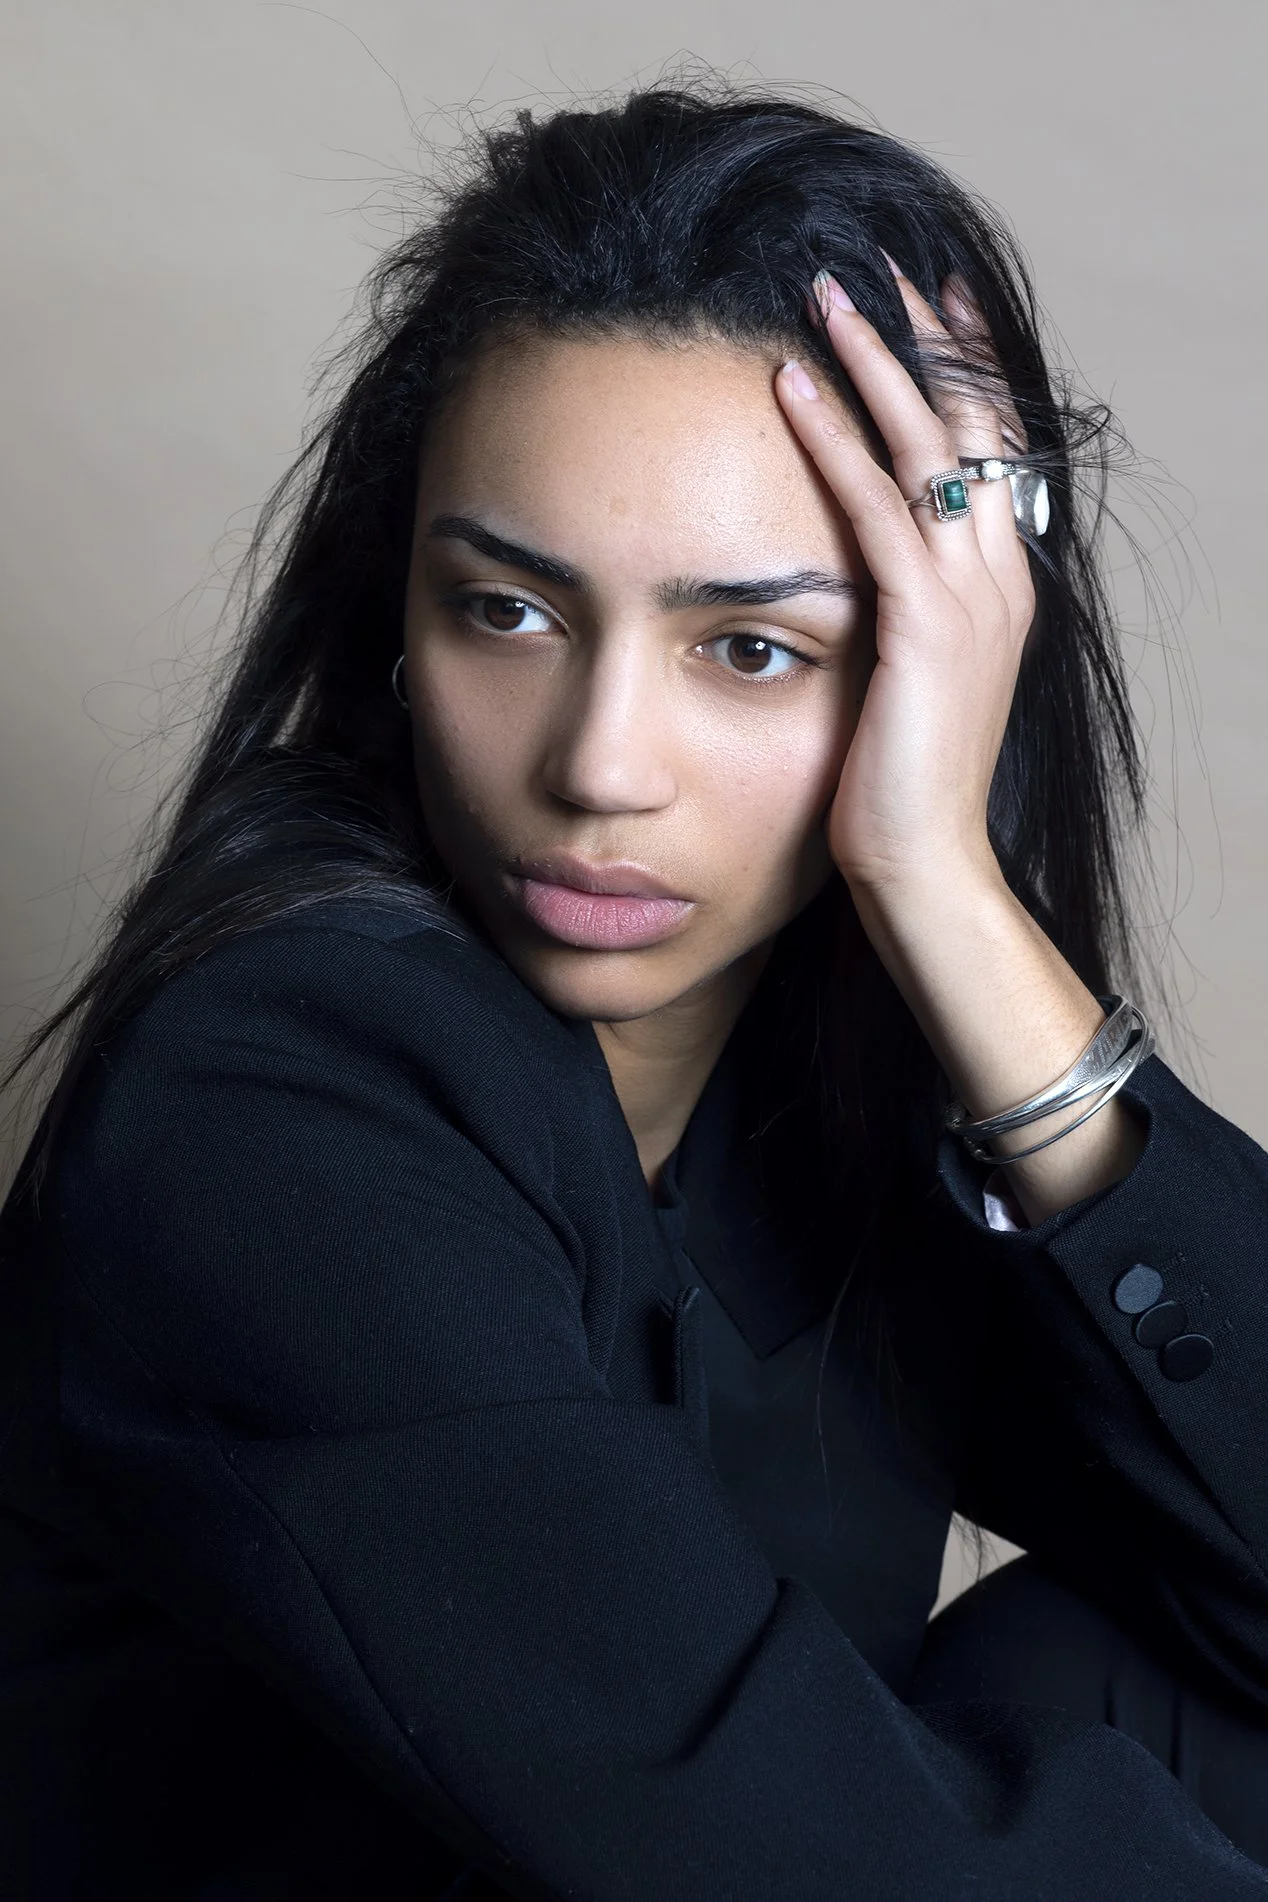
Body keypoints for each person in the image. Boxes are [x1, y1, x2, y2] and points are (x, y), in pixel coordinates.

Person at [1, 76, 1266, 1901]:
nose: (599, 765)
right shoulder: (275, 1091)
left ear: (935, 668)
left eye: (750, 647)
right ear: (398, 611)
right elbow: (757, 1843)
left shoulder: (835, 1064)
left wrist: (946, 888)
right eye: (507, 610)